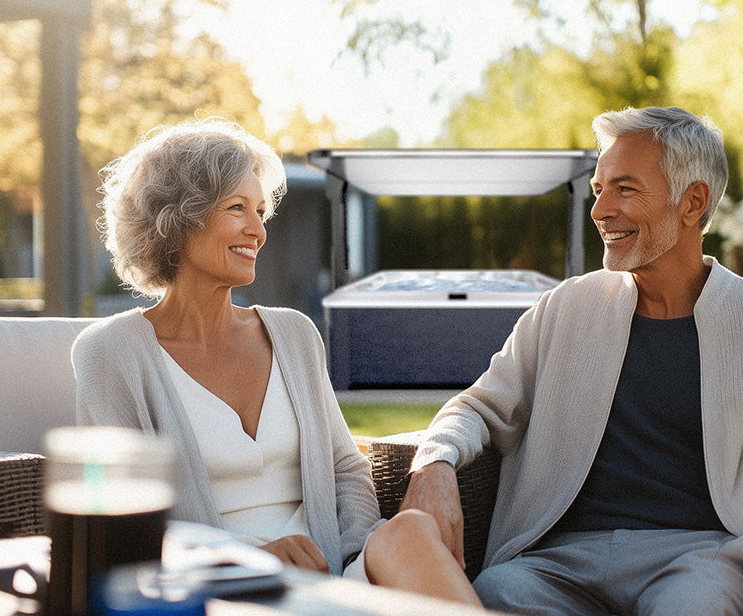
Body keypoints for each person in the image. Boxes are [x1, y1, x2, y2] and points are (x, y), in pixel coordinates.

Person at [399, 106, 743, 615]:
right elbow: (478, 407)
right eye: (598, 189)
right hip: (556, 560)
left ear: (693, 202)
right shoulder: (564, 308)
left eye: (625, 189)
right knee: (499, 594)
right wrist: (434, 461)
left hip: (704, 557)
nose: (599, 210)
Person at [71, 117, 479, 605]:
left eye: (261, 210)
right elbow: (119, 518)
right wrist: (250, 558)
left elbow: (345, 467)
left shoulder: (294, 334)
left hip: (330, 574)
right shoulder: (111, 352)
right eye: (237, 208)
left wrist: (350, 557)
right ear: (179, 218)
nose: (258, 230)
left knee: (409, 530)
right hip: (218, 587)